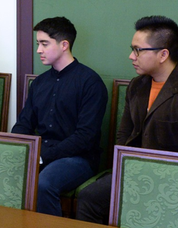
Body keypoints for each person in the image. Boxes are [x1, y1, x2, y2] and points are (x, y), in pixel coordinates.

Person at [75, 15, 178, 224]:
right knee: (89, 197)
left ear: (163, 54)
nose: (131, 56)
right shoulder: (137, 86)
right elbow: (124, 136)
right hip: (137, 172)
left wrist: (146, 181)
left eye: (138, 50)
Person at [11, 17, 107, 216]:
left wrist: (43, 156)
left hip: (78, 158)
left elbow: (85, 137)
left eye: (44, 44)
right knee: (2, 171)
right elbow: (23, 124)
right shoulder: (39, 83)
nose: (39, 50)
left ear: (64, 45)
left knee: (44, 184)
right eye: (38, 44)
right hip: (41, 154)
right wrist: (18, 149)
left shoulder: (90, 82)